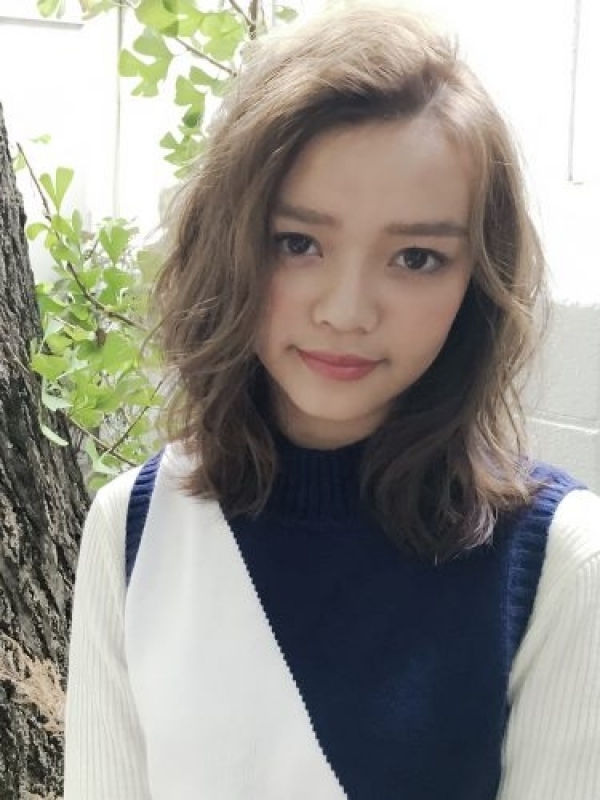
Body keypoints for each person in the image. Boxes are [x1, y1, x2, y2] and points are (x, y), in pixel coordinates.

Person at [63, 3, 600, 798]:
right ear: (229, 244)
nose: (347, 311)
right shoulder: (133, 530)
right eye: (299, 243)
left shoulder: (562, 562)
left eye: (416, 257)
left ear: (477, 281)